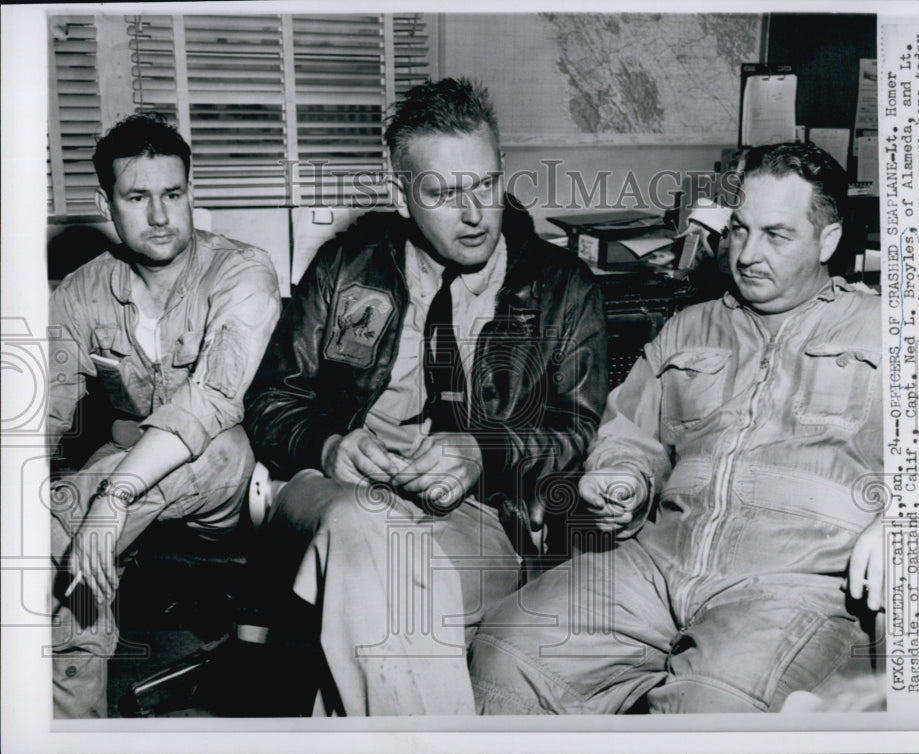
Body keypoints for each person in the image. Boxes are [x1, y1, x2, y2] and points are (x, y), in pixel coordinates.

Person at [468, 142, 884, 714]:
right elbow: (628, 436)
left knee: (710, 705)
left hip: (792, 586)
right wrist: (622, 478)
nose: (748, 253)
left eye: (775, 234)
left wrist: (904, 523)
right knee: (507, 649)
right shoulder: (688, 329)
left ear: (828, 241)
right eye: (738, 229)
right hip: (659, 566)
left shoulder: (887, 329)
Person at [244, 77, 608, 715]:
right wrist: (327, 445)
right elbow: (273, 401)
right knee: (366, 529)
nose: (474, 215)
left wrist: (483, 452)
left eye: (487, 185)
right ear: (401, 193)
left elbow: (579, 431)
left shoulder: (562, 285)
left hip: (480, 512)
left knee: (382, 598)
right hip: (332, 491)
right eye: (442, 193)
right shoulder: (345, 267)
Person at [47, 113, 281, 718]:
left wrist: (113, 497)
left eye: (173, 194)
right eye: (138, 197)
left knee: (205, 447)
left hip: (230, 479)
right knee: (57, 531)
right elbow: (42, 413)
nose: (160, 216)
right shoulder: (79, 292)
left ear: (189, 193)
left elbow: (211, 401)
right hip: (121, 474)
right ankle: (74, 719)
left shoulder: (241, 269)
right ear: (107, 203)